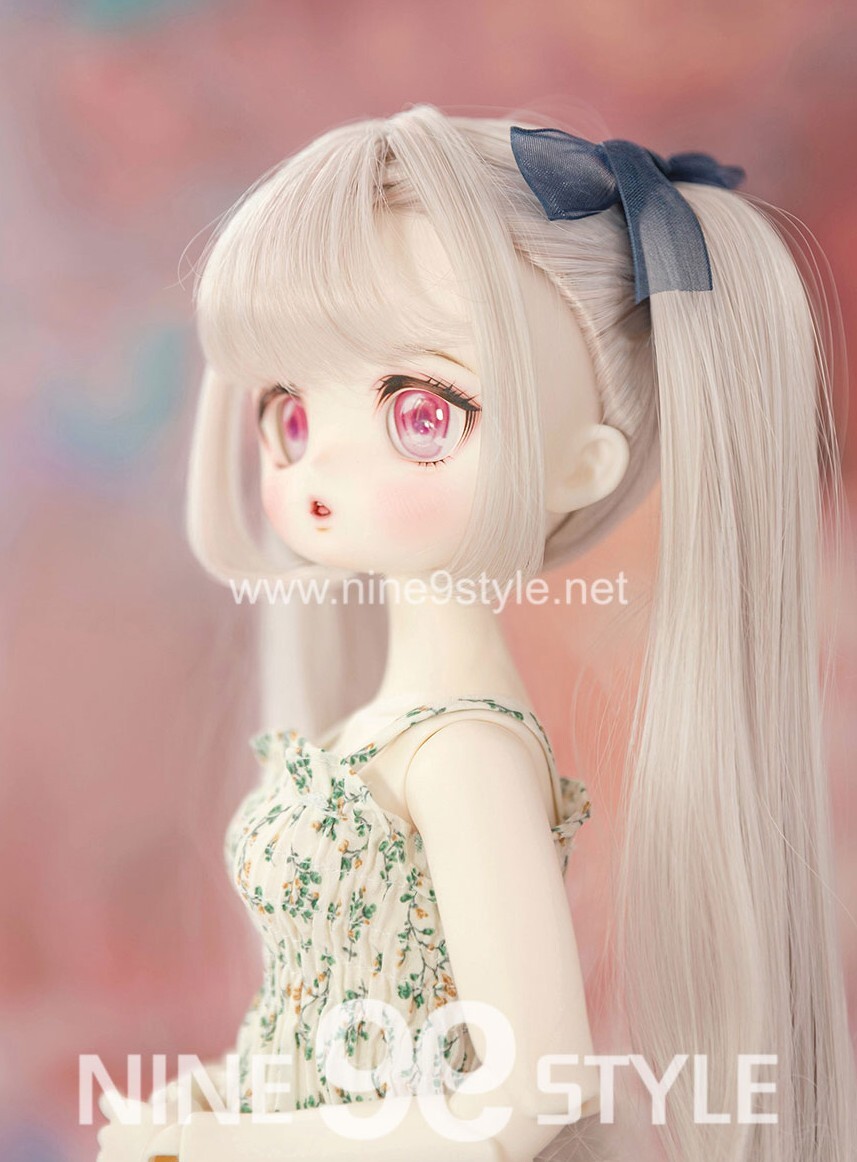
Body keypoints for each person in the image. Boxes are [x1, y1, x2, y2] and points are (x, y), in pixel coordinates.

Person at [97, 103, 857, 1162]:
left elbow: (533, 1088)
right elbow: (310, 1018)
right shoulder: (390, 726)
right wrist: (210, 1105)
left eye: (421, 413)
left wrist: (225, 1145)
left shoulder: (463, 752)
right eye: (291, 413)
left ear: (577, 468)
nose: (318, 469)